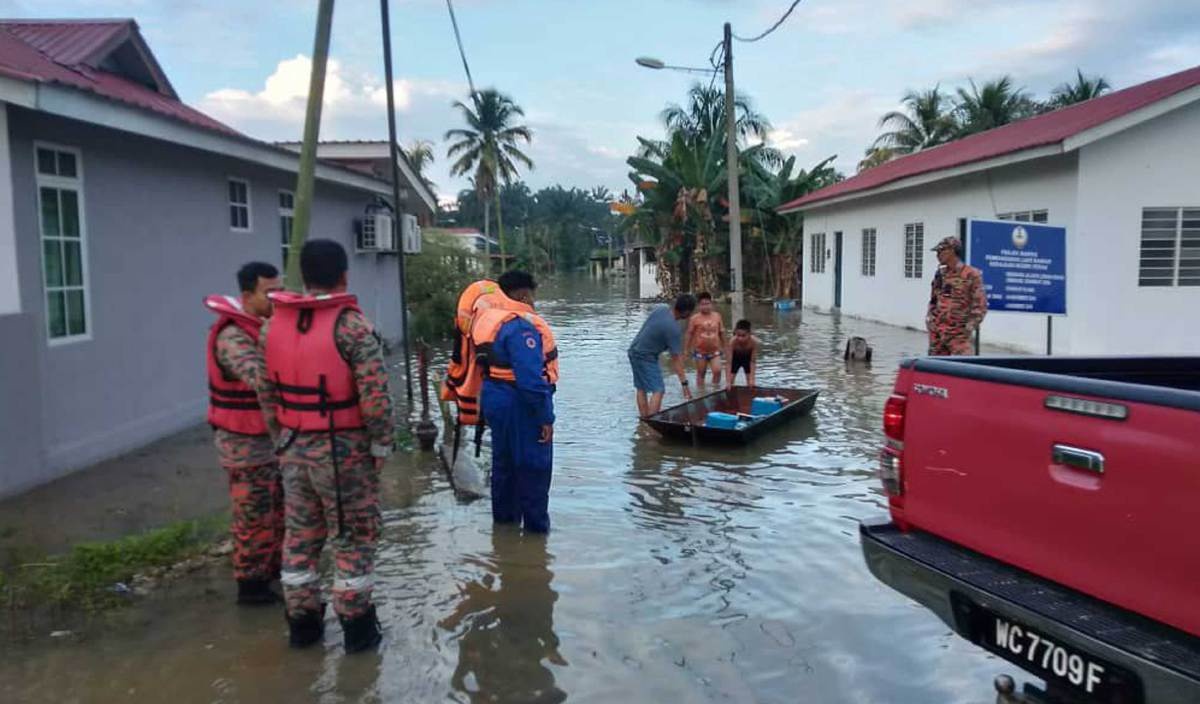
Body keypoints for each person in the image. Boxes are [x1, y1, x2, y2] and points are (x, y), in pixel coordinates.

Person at [262, 239, 394, 653]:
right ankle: (357, 634)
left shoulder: (271, 326)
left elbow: (266, 394)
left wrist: (280, 441)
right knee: (353, 538)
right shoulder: (353, 328)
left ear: (302, 276)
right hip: (342, 453)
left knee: (299, 538)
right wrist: (381, 448)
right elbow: (375, 400)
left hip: (292, 446)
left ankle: (303, 626)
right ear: (343, 276)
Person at [203, 262, 284, 606]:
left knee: (275, 510)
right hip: (243, 443)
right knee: (252, 515)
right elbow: (260, 379)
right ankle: (250, 587)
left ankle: (272, 574)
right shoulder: (232, 337)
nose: (275, 299)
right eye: (269, 293)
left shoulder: (262, 327)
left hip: (268, 442)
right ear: (247, 295)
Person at [472, 270, 557, 533]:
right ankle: (536, 539)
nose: (534, 302)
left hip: (494, 399)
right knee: (534, 471)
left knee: (504, 468)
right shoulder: (520, 327)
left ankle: (504, 533)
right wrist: (545, 418)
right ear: (523, 294)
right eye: (533, 295)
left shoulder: (488, 319)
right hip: (520, 404)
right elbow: (531, 381)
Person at [627, 294, 696, 417]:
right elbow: (676, 360)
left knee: (641, 388)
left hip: (633, 350)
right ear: (686, 312)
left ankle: (644, 420)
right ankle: (652, 421)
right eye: (690, 312)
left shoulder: (661, 309)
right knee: (658, 390)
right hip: (646, 356)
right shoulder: (674, 330)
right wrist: (685, 385)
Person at [926, 236, 987, 356]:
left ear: (952, 251)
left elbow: (980, 305)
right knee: (935, 371)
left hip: (958, 337)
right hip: (938, 336)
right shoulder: (941, 274)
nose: (937, 255)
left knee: (962, 370)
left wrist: (969, 327)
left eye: (941, 251)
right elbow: (933, 300)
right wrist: (930, 321)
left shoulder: (971, 274)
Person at [684, 292, 726, 387]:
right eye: (703, 304)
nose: (705, 306)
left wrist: (725, 347)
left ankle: (715, 390)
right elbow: (689, 334)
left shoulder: (717, 316)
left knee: (717, 371)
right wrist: (686, 349)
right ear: (699, 305)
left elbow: (721, 332)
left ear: (711, 304)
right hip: (700, 351)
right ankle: (701, 393)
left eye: (707, 303)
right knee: (701, 373)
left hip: (715, 351)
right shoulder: (694, 318)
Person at [725, 319, 760, 389]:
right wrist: (728, 382)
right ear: (735, 333)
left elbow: (752, 362)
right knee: (730, 382)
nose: (740, 338)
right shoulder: (732, 342)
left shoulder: (754, 342)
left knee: (750, 383)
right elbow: (729, 362)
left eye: (743, 336)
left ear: (749, 334)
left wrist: (752, 379)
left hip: (747, 358)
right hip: (735, 358)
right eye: (738, 335)